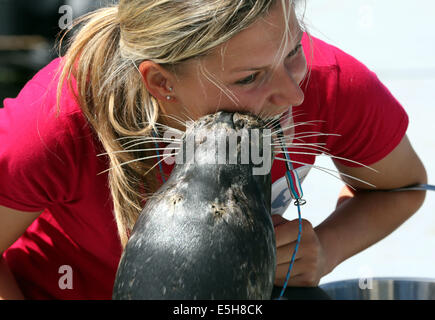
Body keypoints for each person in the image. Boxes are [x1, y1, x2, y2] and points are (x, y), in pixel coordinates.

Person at [0, 0, 427, 300]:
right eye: (250, 78)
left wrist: (329, 249)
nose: (294, 94)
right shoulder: (56, 123)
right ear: (162, 83)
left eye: (294, 50)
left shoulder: (328, 82)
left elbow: (402, 187)